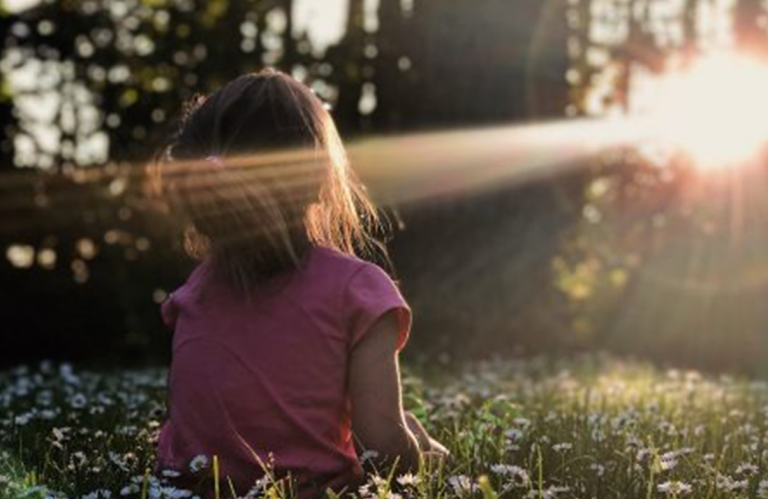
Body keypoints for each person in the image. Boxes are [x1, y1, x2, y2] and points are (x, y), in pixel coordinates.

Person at [151, 68, 448, 498]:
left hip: (188, 492)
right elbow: (381, 447)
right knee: (410, 436)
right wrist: (427, 462)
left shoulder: (192, 295)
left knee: (406, 424)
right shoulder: (357, 291)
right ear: (316, 178)